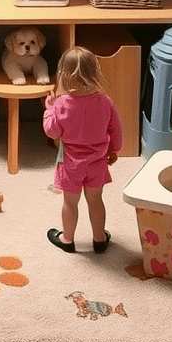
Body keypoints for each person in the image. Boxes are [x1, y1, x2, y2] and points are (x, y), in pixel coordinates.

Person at [43, 46, 122, 254]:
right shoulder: (105, 100)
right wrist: (114, 150)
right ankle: (99, 239)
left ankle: (67, 240)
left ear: (63, 75)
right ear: (95, 72)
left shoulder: (61, 104)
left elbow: (52, 131)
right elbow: (116, 128)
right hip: (97, 162)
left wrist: (49, 109)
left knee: (70, 203)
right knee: (96, 200)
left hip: (71, 164)